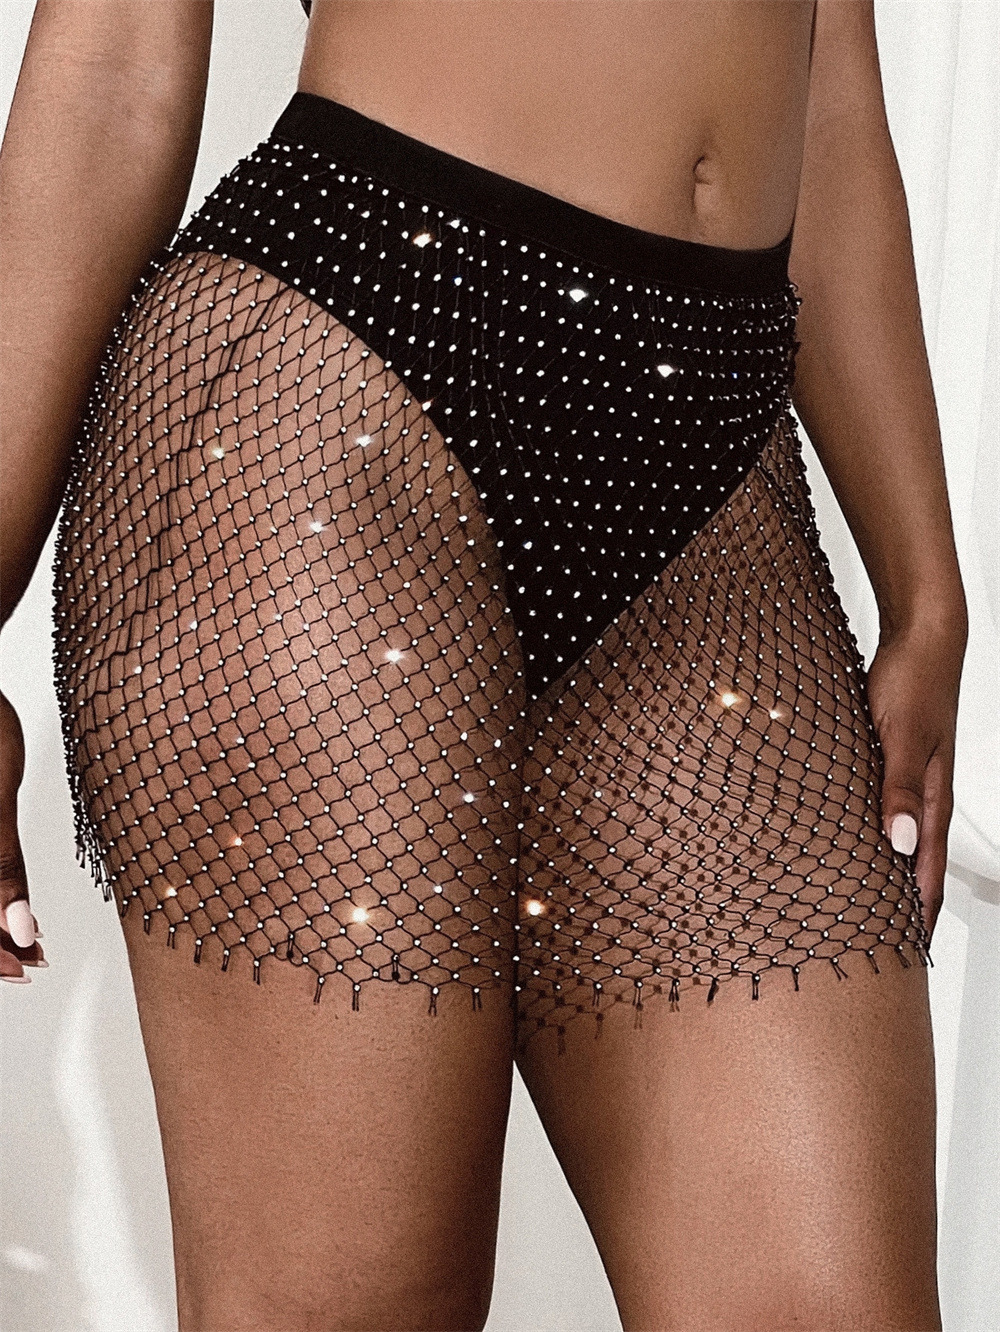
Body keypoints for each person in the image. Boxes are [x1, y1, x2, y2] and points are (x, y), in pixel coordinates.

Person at [0, 1, 965, 1328]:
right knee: (353, 1306)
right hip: (330, 407)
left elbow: (828, 74)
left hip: (713, 478)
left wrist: (925, 584)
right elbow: (113, 63)